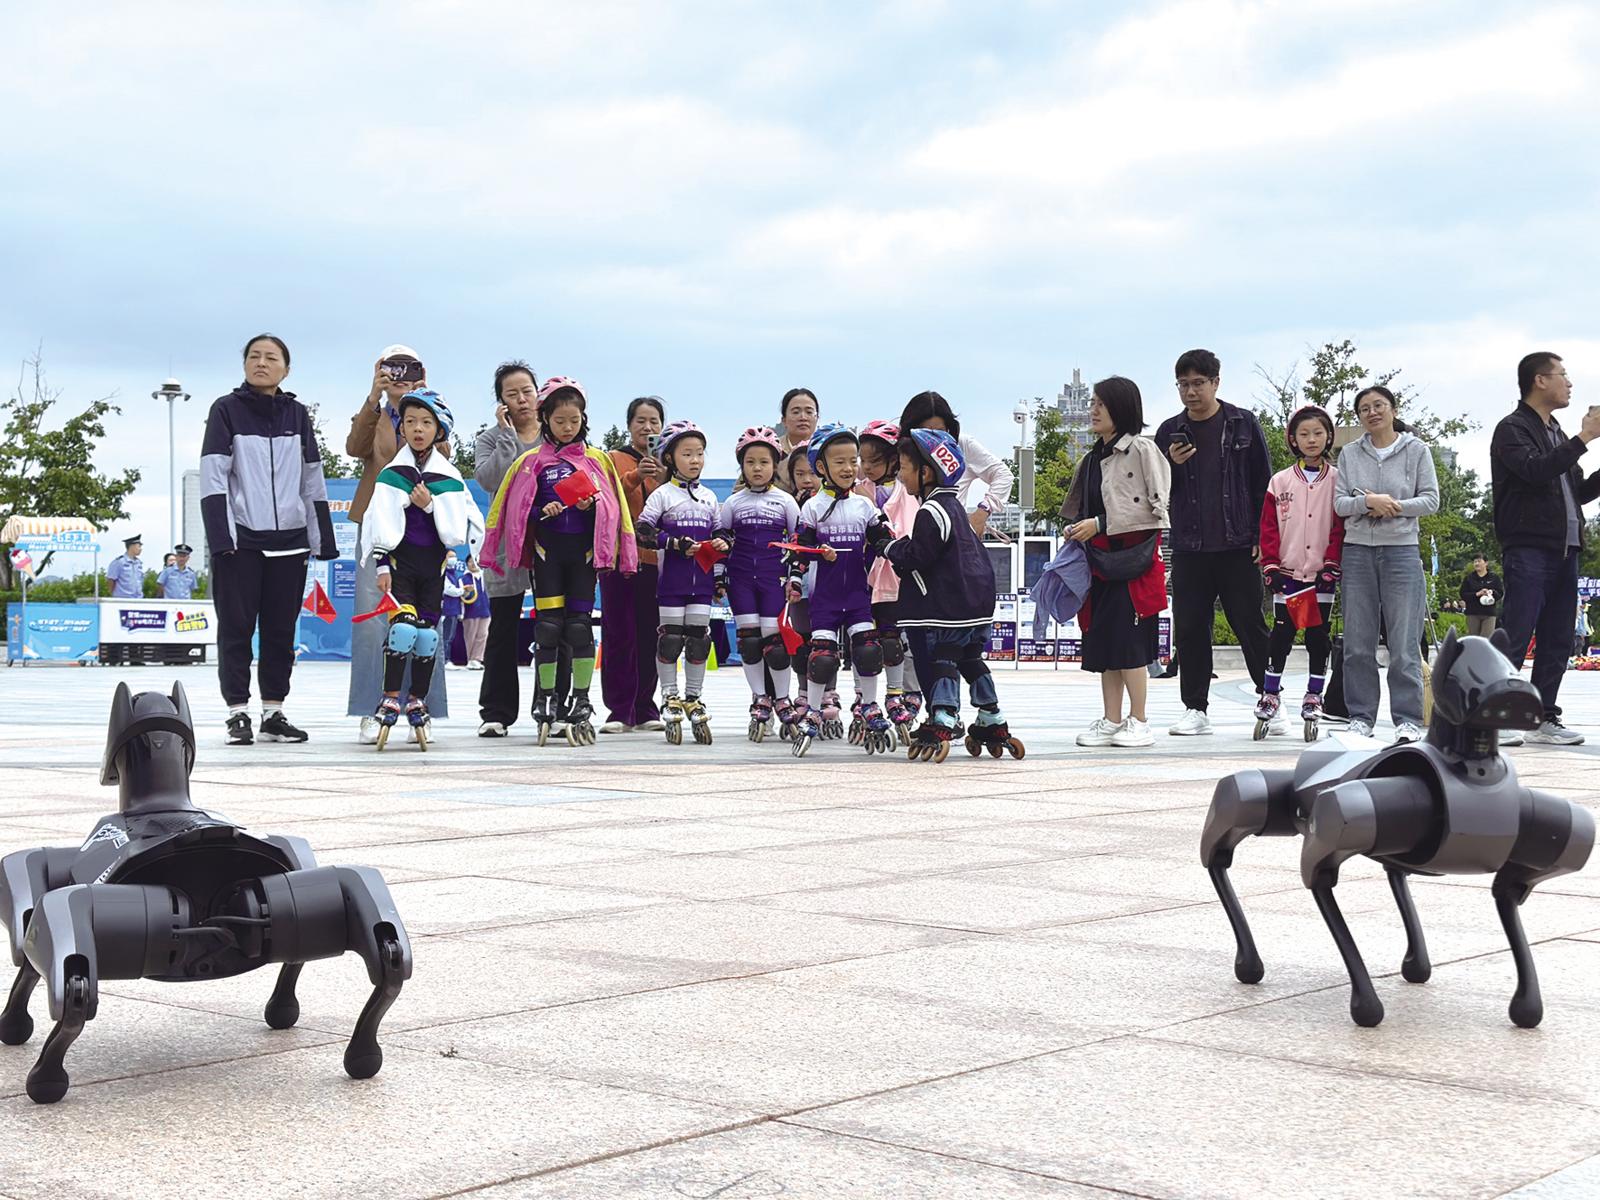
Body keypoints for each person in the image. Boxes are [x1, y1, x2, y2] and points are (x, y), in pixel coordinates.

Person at [481, 377, 637, 746]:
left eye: (575, 420)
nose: (568, 428)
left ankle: (581, 701)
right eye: (560, 421)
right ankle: (545, 698)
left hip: (582, 557)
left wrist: (593, 507)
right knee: (548, 628)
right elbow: (511, 508)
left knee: (580, 628)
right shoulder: (530, 461)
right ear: (546, 419)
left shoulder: (598, 460)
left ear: (584, 419)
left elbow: (617, 511)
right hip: (546, 556)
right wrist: (540, 510)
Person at [200, 334, 338, 745]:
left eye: (271, 357)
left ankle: (274, 711)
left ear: (286, 369)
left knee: (281, 631)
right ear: (244, 364)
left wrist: (321, 539)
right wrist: (222, 540)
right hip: (241, 543)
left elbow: (312, 477)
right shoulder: (225, 411)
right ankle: (237, 712)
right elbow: (213, 477)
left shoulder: (297, 414)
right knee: (236, 629)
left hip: (290, 543)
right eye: (254, 356)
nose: (261, 363)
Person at [1153, 349, 1274, 737]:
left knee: (1250, 624)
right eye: (1183, 384)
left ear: (1216, 382)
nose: (1190, 392)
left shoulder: (1243, 424)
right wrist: (1171, 462)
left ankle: (1269, 696)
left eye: (1198, 383)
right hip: (1189, 546)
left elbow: (1263, 485)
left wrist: (1261, 536)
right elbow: (1155, 489)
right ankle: (1195, 708)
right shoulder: (1168, 431)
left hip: (1238, 543)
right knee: (1190, 628)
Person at [886, 428, 1021, 761]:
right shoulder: (956, 509)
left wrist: (888, 547)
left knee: (943, 658)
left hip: (945, 608)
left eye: (904, 467)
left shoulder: (931, 511)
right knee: (971, 660)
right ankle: (992, 715)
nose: (900, 476)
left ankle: (943, 716)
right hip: (976, 604)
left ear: (926, 471)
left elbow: (919, 555)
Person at [358, 389, 484, 742]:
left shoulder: (449, 476)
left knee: (428, 637)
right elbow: (378, 520)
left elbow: (458, 527)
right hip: (401, 567)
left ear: (439, 430)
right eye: (410, 421)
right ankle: (389, 698)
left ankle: (417, 701)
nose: (417, 429)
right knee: (402, 632)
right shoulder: (392, 473)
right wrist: (381, 564)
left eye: (426, 423)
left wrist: (430, 506)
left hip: (434, 570)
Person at [1491, 351, 1600, 746]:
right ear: (1540, 380)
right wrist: (1585, 437)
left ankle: (1543, 715)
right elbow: (1536, 471)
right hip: (1529, 548)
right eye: (1563, 375)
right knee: (1516, 632)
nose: (1569, 383)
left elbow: (1580, 490)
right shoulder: (1513, 429)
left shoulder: (1556, 430)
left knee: (1557, 639)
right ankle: (1495, 715)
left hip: (1566, 549)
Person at [1060, 377, 1171, 749]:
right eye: (1092, 403)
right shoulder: (1092, 458)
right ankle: (1111, 719)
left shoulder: (1142, 449)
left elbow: (1156, 511)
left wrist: (1100, 524)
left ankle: (1139, 720)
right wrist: (1079, 527)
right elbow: (1086, 506)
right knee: (1105, 645)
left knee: (1130, 645)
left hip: (1133, 562)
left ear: (1121, 408)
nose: (1093, 410)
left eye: (1101, 404)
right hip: (1099, 561)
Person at [347, 346, 448, 743]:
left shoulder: (427, 414)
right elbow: (354, 448)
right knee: (377, 622)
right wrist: (374, 397)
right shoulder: (377, 414)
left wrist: (426, 399)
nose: (400, 374)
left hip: (423, 526)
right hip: (378, 521)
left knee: (426, 622)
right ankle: (374, 707)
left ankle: (421, 706)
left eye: (410, 367)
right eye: (393, 367)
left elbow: (445, 457)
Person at [1332, 385, 1440, 744]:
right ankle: (1360, 716)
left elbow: (1430, 501)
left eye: (1379, 405)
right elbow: (1341, 503)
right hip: (1358, 551)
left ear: (1393, 409)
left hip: (1402, 552)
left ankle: (1407, 719)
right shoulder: (1349, 453)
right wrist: (1367, 503)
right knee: (1358, 642)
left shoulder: (1416, 450)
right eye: (1364, 408)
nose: (1372, 412)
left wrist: (1392, 505)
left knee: (1404, 643)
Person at [785, 424, 895, 755]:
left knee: (868, 649)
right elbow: (799, 549)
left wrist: (893, 548)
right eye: (840, 462)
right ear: (822, 467)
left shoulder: (864, 505)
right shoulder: (813, 508)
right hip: (826, 597)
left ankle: (870, 706)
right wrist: (795, 578)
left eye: (853, 461)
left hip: (858, 595)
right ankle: (814, 712)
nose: (849, 468)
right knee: (821, 657)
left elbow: (881, 537)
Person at [474, 360, 559, 737]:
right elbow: (489, 478)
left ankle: (551, 705)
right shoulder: (490, 439)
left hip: (551, 543)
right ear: (501, 403)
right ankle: (496, 712)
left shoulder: (558, 436)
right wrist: (508, 436)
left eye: (527, 391)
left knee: (552, 627)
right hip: (507, 545)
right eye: (512, 394)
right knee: (503, 629)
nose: (522, 399)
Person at [1253, 404, 1344, 737]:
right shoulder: (1279, 482)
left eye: (1318, 433)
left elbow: (1339, 526)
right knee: (1281, 636)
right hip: (1288, 576)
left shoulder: (1337, 480)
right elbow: (1268, 529)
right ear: (1292, 439)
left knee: (1317, 639)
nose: (1311, 439)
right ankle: (1271, 693)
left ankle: (1314, 695)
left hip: (1320, 576)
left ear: (1328, 437)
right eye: (1304, 434)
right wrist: (1271, 566)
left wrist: (1333, 563)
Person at [636, 421, 721, 744]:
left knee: (699, 639)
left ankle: (693, 697)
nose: (695, 460)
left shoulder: (709, 497)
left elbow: (719, 533)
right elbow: (643, 532)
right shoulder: (662, 495)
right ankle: (669, 696)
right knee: (670, 640)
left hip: (701, 581)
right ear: (670, 458)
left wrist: (723, 543)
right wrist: (674, 544)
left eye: (700, 453)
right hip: (670, 581)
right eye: (687, 454)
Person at [714, 426, 801, 738]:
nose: (757, 468)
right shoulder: (733, 503)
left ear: (775, 464)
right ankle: (759, 698)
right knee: (749, 641)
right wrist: (719, 579)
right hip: (741, 580)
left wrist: (795, 579)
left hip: (772, 579)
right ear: (742, 466)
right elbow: (720, 542)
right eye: (750, 462)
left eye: (764, 462)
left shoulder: (786, 502)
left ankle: (782, 698)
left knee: (774, 643)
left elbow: (796, 542)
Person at [599, 396, 669, 733]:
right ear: (629, 425)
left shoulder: (668, 465)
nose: (647, 428)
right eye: (641, 421)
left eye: (654, 421)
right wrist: (633, 477)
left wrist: (665, 476)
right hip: (619, 560)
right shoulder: (613, 459)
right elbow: (608, 502)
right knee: (618, 632)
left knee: (650, 634)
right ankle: (618, 709)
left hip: (656, 561)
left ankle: (645, 707)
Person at [857, 419, 923, 738]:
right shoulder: (859, 490)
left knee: (902, 641)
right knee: (866, 642)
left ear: (895, 459)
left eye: (875, 460)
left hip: (901, 577)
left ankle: (906, 693)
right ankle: (864, 698)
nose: (867, 467)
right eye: (863, 460)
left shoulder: (909, 492)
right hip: (866, 578)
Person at [897, 391, 1015, 535]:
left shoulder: (961, 447)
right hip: (907, 542)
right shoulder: (900, 456)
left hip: (951, 542)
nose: (934, 439)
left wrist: (981, 514)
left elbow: (1003, 475)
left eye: (940, 432)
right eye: (925, 432)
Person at [775, 388, 821, 477]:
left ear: (817, 418)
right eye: (796, 412)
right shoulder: (773, 450)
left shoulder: (826, 450)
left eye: (809, 412)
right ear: (783, 420)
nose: (803, 417)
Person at [1459, 554, 1503, 638]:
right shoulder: (1469, 578)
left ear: (1486, 563)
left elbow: (1500, 593)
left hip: (1489, 613)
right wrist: (1476, 594)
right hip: (1473, 613)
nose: (1476, 564)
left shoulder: (1494, 577)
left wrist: (1491, 592)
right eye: (1475, 562)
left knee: (1485, 640)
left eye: (1479, 561)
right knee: (1473, 639)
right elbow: (1463, 594)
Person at [461, 557, 490, 668]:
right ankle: (469, 659)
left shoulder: (485, 577)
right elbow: (462, 595)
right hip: (470, 611)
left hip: (485, 610)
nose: (473, 564)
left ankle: (477, 659)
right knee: (470, 636)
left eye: (475, 562)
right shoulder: (464, 578)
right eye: (470, 562)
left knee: (483, 635)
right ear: (467, 563)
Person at [440, 549, 465, 668]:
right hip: (446, 610)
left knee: (450, 636)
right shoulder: (443, 573)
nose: (453, 559)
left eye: (455, 556)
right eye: (450, 556)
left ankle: (447, 658)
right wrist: (463, 591)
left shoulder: (454, 574)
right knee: (445, 636)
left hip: (454, 609)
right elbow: (448, 590)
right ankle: (444, 659)